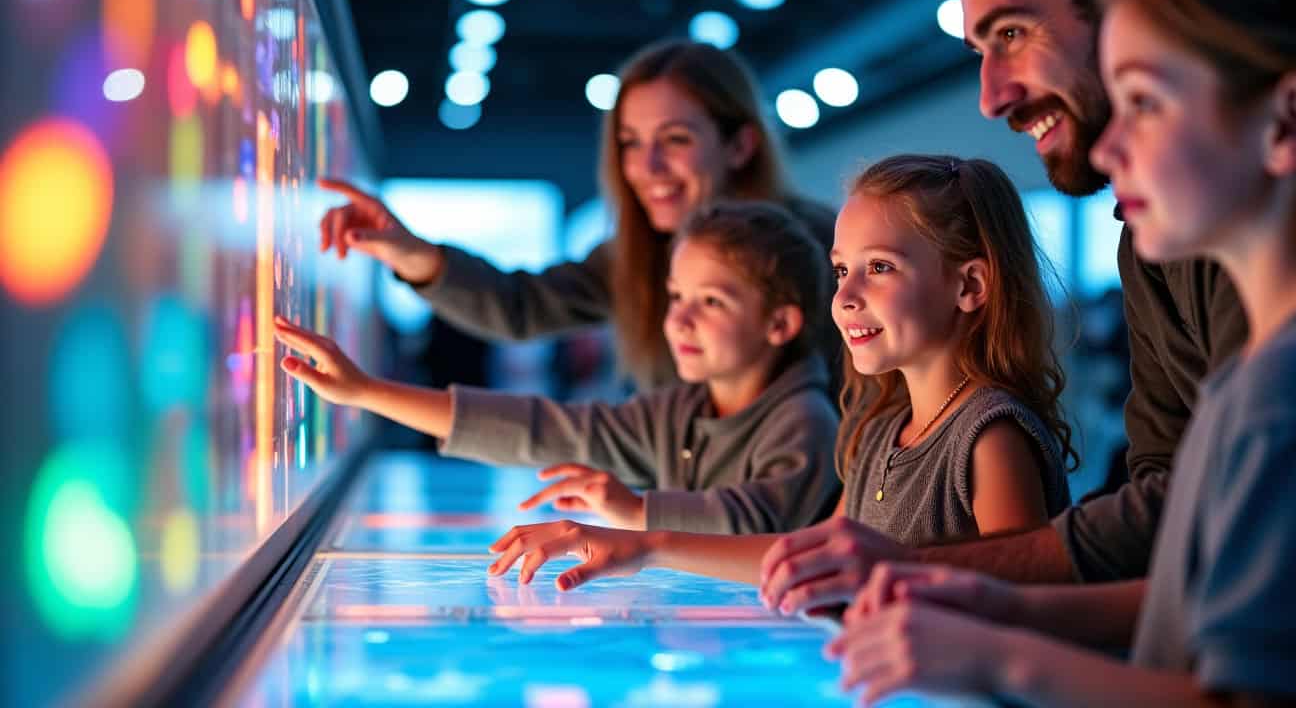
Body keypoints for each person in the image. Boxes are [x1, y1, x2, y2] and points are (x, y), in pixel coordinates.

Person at [830, 0, 1296, 704]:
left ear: (1290, 120)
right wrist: (1012, 609)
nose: (1109, 144)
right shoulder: (1248, 370)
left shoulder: (1294, 387)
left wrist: (1005, 654)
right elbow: (1200, 582)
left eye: (1144, 100)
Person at [756, 0, 1251, 608]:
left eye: (1013, 32)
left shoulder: (988, 431)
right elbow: (1168, 486)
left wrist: (966, 602)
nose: (990, 99)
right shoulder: (1146, 245)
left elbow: (1244, 527)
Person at [486, 154, 1072, 592]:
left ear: (969, 285)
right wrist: (643, 546)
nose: (844, 296)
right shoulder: (878, 431)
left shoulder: (990, 437)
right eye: (842, 269)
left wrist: (645, 533)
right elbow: (810, 553)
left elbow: (1020, 602)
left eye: (879, 267)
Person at [277, 202, 839, 534]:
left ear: (781, 324)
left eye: (712, 302)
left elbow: (760, 521)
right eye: (676, 297)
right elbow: (541, 428)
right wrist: (366, 391)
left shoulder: (806, 420)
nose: (680, 321)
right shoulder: (679, 409)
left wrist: (638, 513)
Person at [316, 40, 836, 391]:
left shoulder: (822, 248)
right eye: (631, 143)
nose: (647, 167)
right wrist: (409, 251)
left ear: (740, 145)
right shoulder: (635, 254)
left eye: (675, 139)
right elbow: (521, 306)